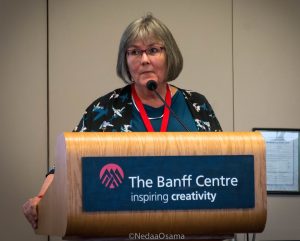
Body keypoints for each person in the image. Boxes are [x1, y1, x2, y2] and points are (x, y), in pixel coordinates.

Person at [22, 13, 222, 230]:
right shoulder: (106, 108)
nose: (144, 59)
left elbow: (224, 165)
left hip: (191, 224)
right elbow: (64, 165)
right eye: (135, 52)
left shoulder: (196, 105)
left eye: (153, 50)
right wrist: (42, 197)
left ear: (169, 55)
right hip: (121, 226)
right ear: (125, 61)